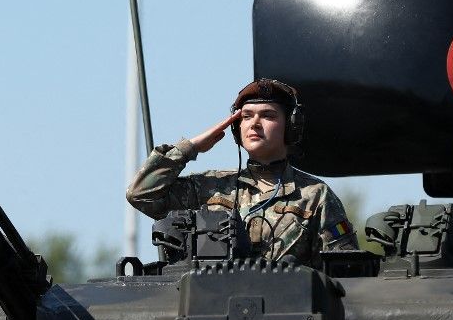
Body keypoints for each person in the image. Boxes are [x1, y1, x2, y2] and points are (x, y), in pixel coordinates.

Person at [127, 78, 358, 267]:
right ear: (237, 129)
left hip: (288, 306)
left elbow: (346, 271)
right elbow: (141, 194)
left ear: (291, 126)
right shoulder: (210, 188)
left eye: (268, 115)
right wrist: (191, 147)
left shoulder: (314, 196)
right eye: (246, 116)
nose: (254, 123)